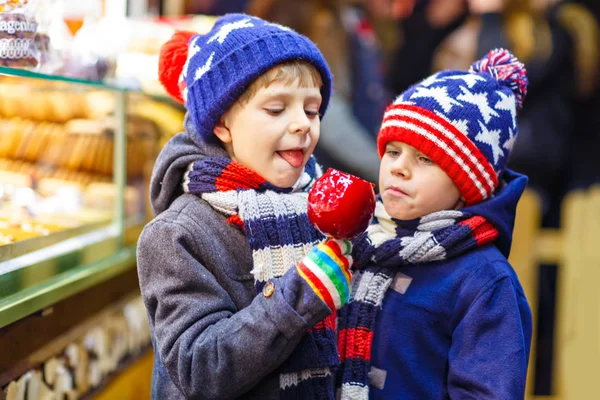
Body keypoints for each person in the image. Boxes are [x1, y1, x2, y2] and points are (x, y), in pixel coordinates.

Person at [136, 14, 354, 399]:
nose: (303, 124)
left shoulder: (316, 206)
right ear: (222, 123)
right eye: (276, 109)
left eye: (311, 109)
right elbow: (200, 369)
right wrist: (300, 295)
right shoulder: (176, 234)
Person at [336, 48, 533, 399]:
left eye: (425, 158)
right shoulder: (355, 242)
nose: (398, 167)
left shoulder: (485, 281)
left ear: (466, 184)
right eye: (393, 152)